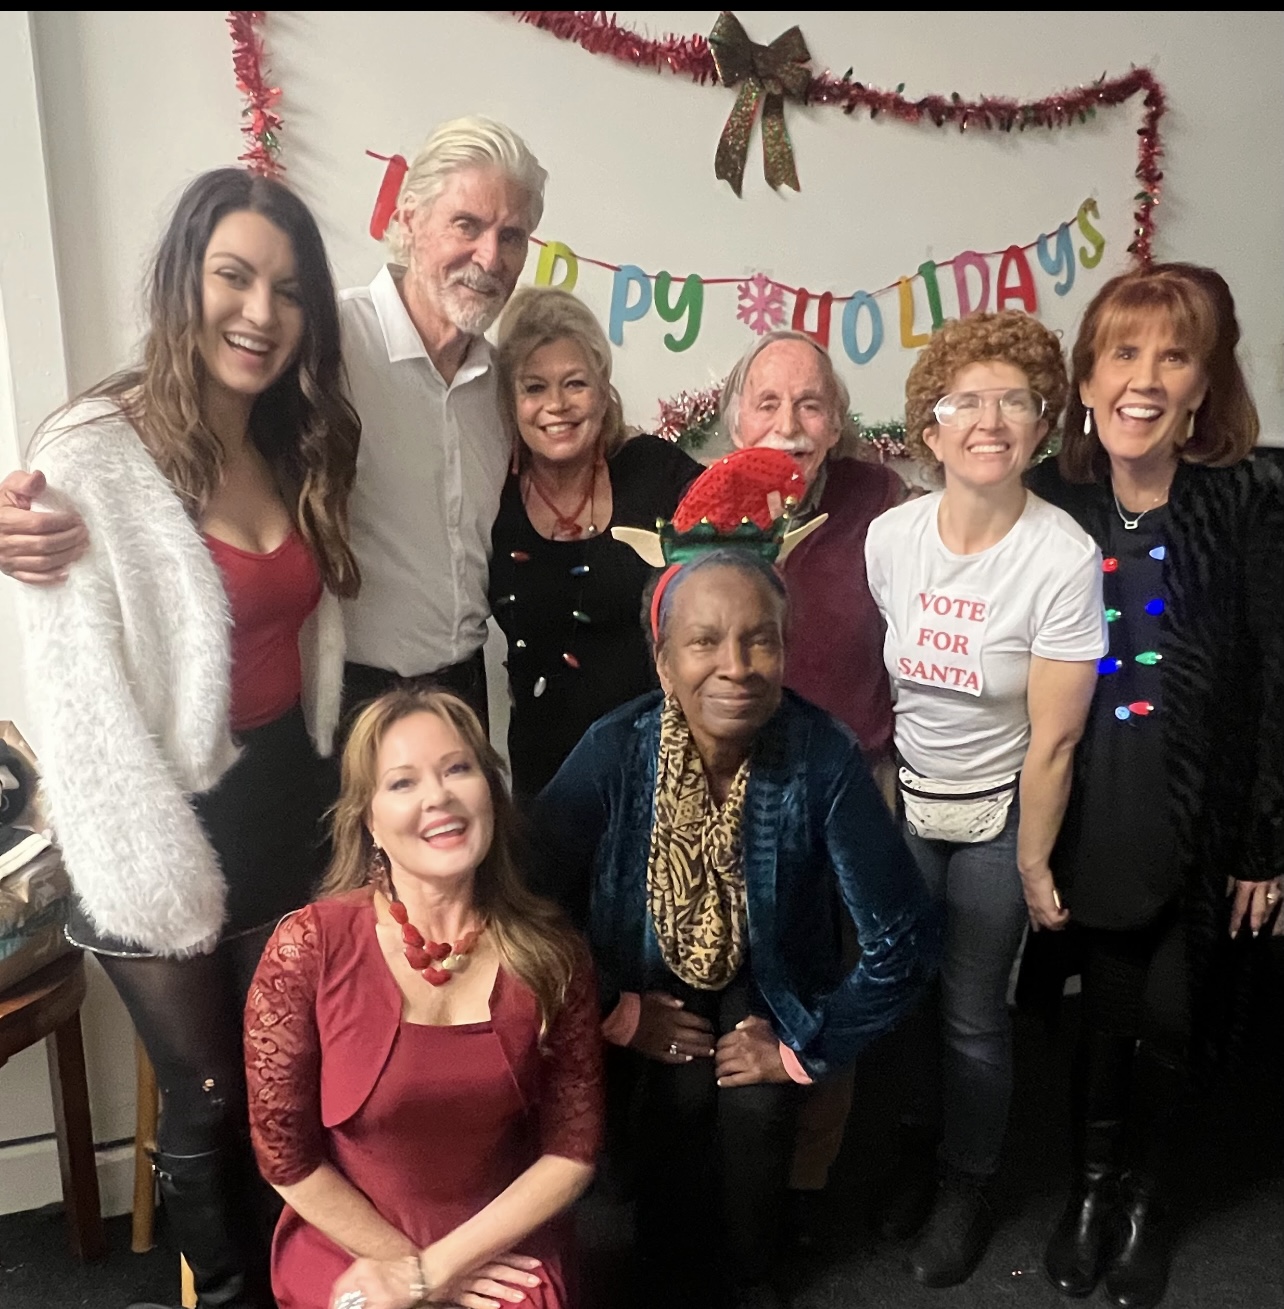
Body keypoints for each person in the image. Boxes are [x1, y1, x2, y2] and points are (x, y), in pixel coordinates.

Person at [14, 168, 360, 1309]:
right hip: (151, 824)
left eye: (290, 290)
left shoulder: (294, 438)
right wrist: (149, 875)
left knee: (287, 1081)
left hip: (287, 802)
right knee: (210, 1090)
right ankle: (225, 1294)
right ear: (183, 282)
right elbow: (79, 711)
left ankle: (300, 1278)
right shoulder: (92, 457)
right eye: (234, 275)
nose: (261, 311)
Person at [531, 448, 938, 1309]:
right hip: (642, 974)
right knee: (672, 1092)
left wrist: (806, 1043)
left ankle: (754, 1274)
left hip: (771, 973)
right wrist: (610, 1007)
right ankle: (661, 1267)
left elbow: (906, 936)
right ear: (664, 657)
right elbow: (525, 900)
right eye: (706, 641)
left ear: (787, 647)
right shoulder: (617, 748)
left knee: (753, 1107)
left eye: (760, 638)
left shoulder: (821, 753)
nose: (737, 664)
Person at [0, 116, 547, 731]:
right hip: (343, 699)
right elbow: (169, 398)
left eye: (513, 236)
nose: (489, 257)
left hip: (463, 689)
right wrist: (31, 500)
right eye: (467, 225)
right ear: (409, 219)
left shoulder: (505, 389)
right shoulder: (319, 342)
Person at [1023, 263, 1284, 1309]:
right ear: (1087, 376)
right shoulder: (1053, 499)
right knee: (1103, 1012)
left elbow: (1277, 677)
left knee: (1179, 1017)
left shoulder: (1250, 500)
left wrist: (1269, 838)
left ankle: (1148, 1202)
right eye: (1122, 352)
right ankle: (1088, 1191)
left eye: (1173, 356)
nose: (1143, 378)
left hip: (1203, 813)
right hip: (1089, 801)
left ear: (1204, 385)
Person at [864, 311, 1106, 1287]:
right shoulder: (890, 538)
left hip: (1003, 812)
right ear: (932, 426)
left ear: (1043, 426)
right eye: (968, 400)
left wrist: (1035, 860)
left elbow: (1055, 738)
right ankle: (918, 1148)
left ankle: (968, 1181)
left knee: (972, 1011)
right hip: (909, 803)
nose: (991, 420)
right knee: (906, 995)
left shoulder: (1061, 558)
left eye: (1016, 401)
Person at [244, 688, 604, 1309]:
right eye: (403, 783)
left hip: (499, 1245)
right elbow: (285, 1157)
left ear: (490, 793)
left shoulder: (554, 955)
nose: (438, 796)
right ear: (370, 822)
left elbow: (571, 1153)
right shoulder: (308, 946)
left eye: (458, 769)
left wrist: (434, 1272)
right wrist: (401, 1270)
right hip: (348, 1237)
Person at [719, 330, 908, 1219]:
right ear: (733, 421)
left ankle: (809, 1179)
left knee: (842, 978)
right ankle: (740, 1167)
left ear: (837, 422)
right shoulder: (709, 511)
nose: (790, 424)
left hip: (855, 782)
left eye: (810, 404)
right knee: (747, 973)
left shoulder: (882, 502)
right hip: (740, 785)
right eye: (769, 403)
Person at [489, 287, 699, 800]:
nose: (556, 406)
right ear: (508, 400)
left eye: (575, 383)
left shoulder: (656, 471)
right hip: (538, 778)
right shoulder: (488, 491)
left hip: (658, 767)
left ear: (603, 390)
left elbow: (736, 547)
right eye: (534, 387)